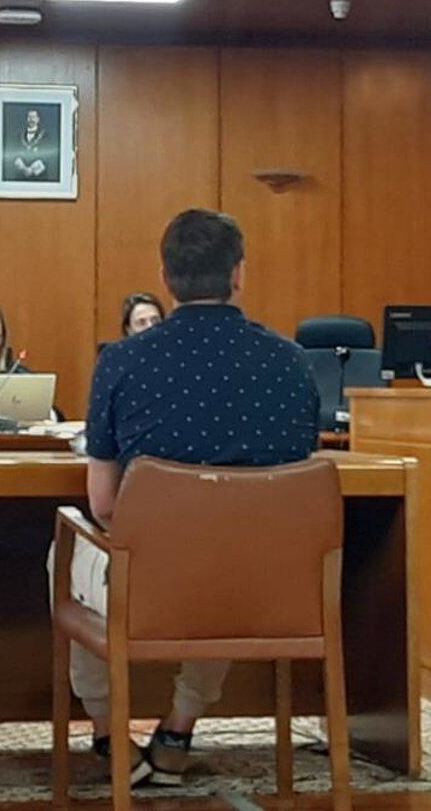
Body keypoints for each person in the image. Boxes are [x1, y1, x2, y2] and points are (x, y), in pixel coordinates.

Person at [64, 209, 319, 785]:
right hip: (269, 584)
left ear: (166, 277)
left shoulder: (122, 361)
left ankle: (108, 734)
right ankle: (179, 728)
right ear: (239, 274)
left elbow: (103, 505)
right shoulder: (292, 362)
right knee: (226, 548)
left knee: (67, 552)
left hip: (150, 583)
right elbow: (295, 482)